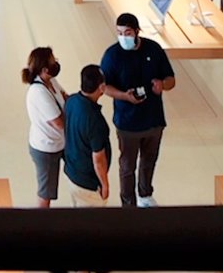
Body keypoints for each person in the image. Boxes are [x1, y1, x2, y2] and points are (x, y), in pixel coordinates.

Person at [99, 11, 175, 207]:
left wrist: (162, 85)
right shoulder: (112, 55)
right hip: (127, 123)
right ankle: (128, 203)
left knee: (149, 161)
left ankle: (145, 195)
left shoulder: (154, 49)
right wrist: (125, 96)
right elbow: (105, 87)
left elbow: (171, 79)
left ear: (137, 32)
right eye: (119, 33)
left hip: (153, 120)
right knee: (127, 166)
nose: (124, 37)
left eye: (128, 32)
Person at [23, 47, 67, 208]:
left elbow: (65, 97)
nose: (56, 62)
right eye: (53, 61)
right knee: (45, 192)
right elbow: (59, 122)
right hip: (46, 148)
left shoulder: (51, 81)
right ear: (44, 69)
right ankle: (40, 222)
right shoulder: (38, 92)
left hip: (59, 142)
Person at [62, 65, 112, 207]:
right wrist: (105, 184)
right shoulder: (95, 120)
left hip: (72, 172)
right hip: (87, 183)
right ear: (101, 88)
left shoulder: (71, 101)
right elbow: (99, 159)